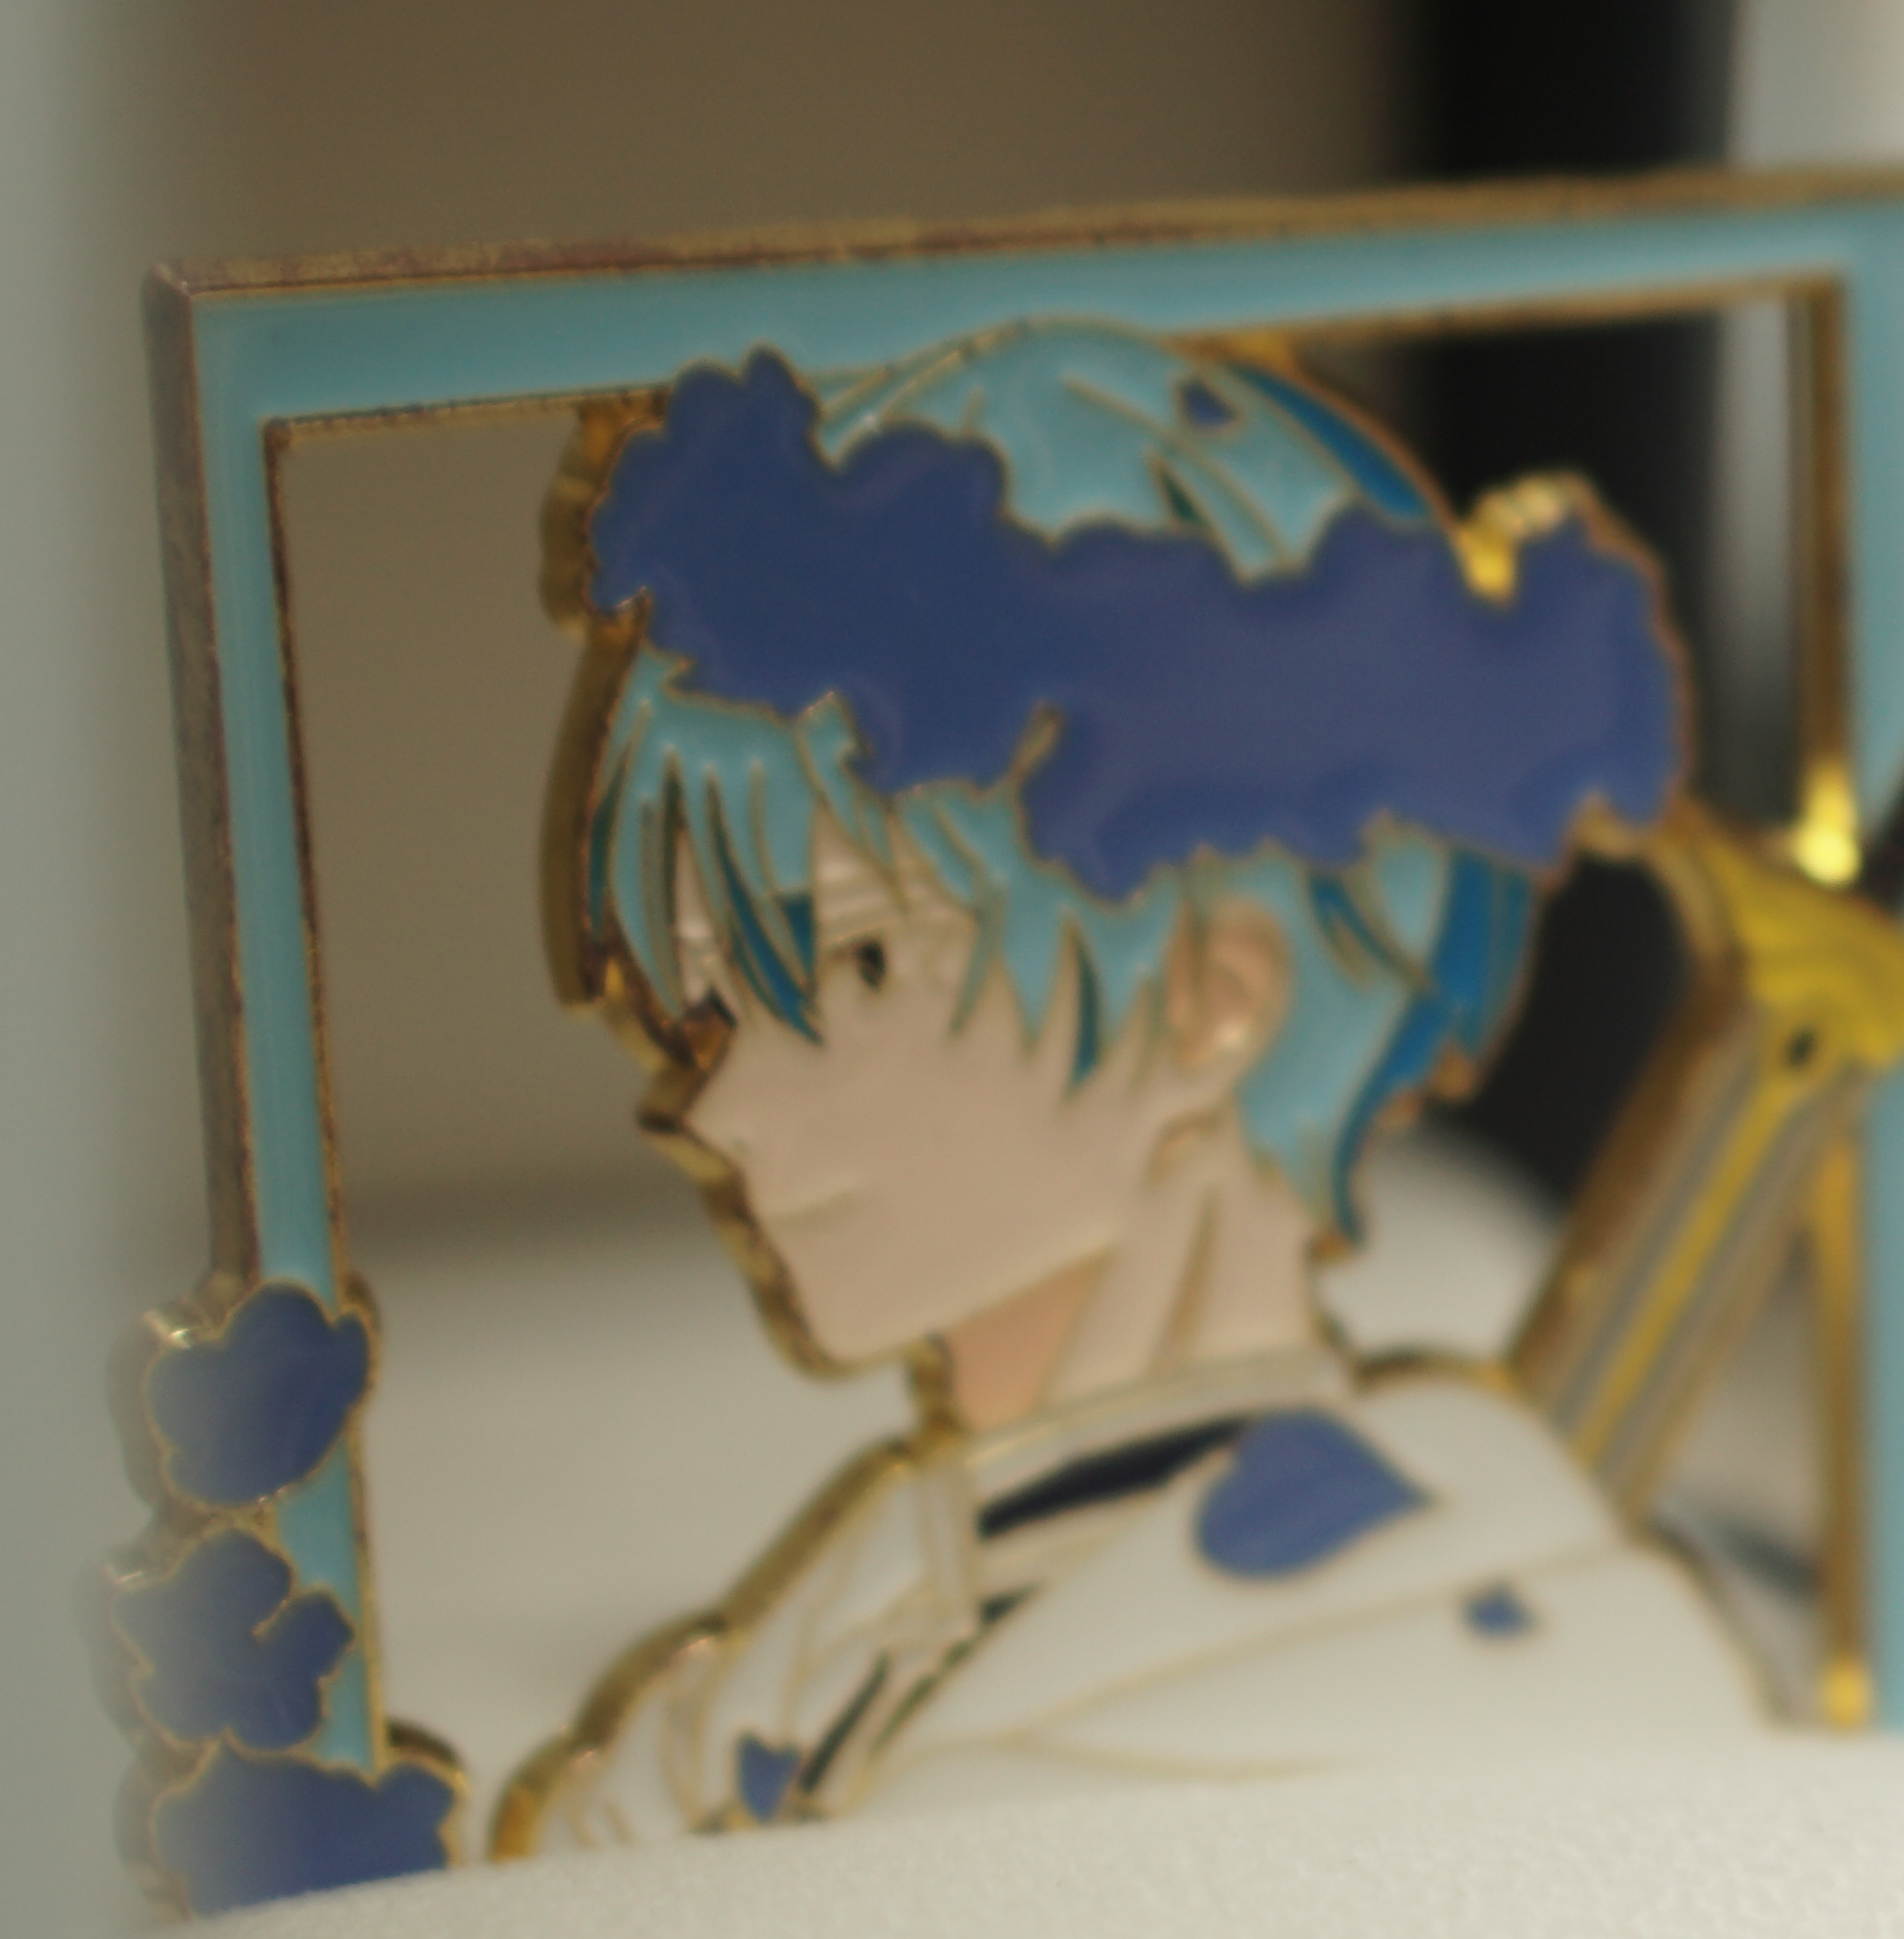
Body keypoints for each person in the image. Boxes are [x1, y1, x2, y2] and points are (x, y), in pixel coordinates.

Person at [490, 323, 1779, 1853]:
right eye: (712, 1013)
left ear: (1212, 1003)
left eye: (858, 967)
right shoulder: (831, 1637)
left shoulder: (1516, 1639)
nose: (709, 1115)